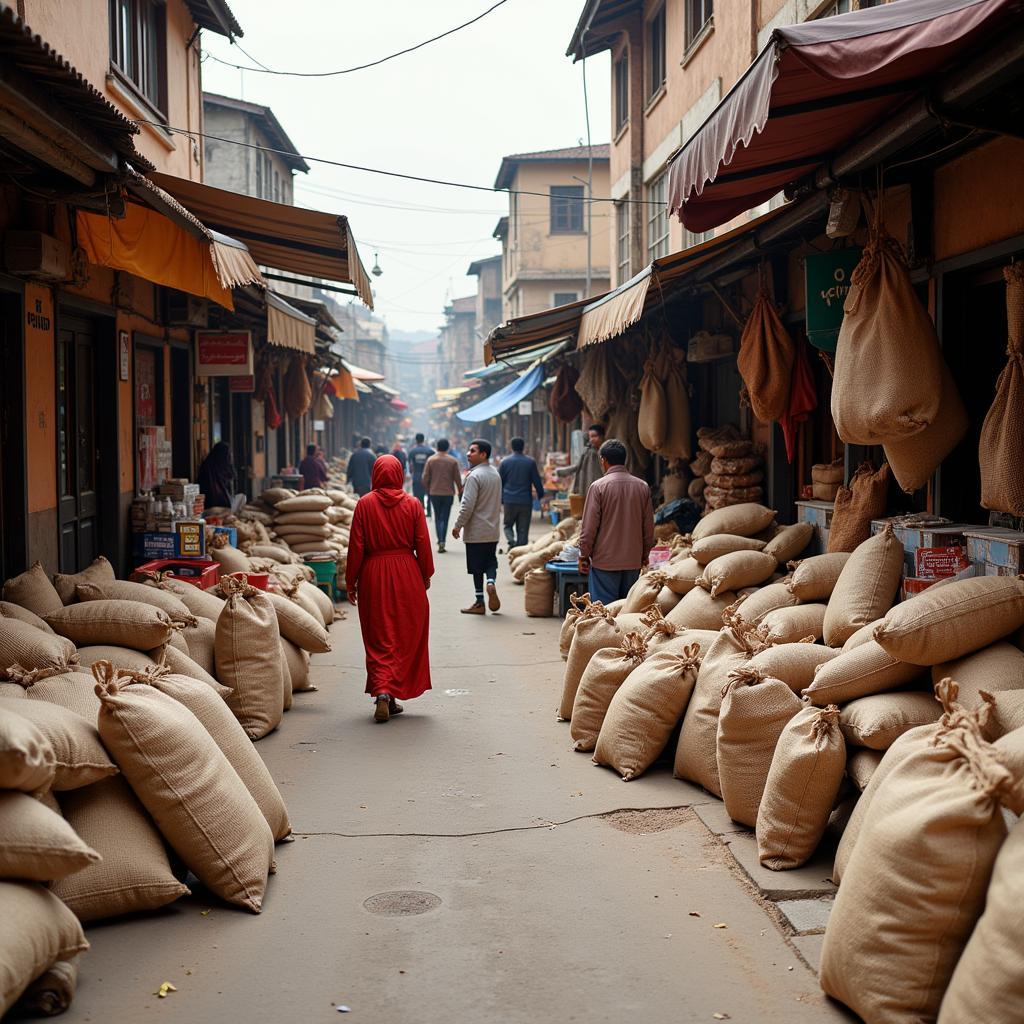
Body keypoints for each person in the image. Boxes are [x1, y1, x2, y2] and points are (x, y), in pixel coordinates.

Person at [345, 455, 434, 723]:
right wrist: (425, 573)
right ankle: (391, 691)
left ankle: (383, 692)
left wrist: (351, 580)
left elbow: (356, 546)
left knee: (378, 634)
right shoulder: (413, 504)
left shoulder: (364, 504)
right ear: (400, 474)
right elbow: (423, 542)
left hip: (373, 573)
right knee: (404, 633)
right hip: (407, 572)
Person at [578, 438, 654, 605]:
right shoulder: (642, 487)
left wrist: (583, 555)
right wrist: (644, 555)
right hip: (632, 561)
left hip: (604, 562)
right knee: (627, 610)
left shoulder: (598, 487)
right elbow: (648, 527)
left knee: (604, 613)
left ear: (603, 460)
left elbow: (589, 528)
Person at [451, 438, 502, 615]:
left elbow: (467, 505)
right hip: (493, 529)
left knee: (476, 567)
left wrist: (458, 526)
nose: (468, 454)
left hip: (476, 531)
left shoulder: (474, 476)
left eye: (472, 451)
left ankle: (479, 601)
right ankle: (491, 582)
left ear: (483, 454)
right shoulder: (495, 474)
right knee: (490, 560)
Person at [498, 436, 545, 550]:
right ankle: (521, 549)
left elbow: (499, 482)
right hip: (525, 500)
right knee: (523, 528)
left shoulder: (505, 462)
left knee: (508, 525)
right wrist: (540, 494)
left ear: (511, 447)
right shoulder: (530, 462)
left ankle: (511, 541)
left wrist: (500, 499)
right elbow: (536, 480)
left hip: (509, 500)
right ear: (524, 447)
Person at [421, 438, 463, 553]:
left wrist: (429, 489)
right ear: (448, 447)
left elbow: (424, 478)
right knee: (445, 518)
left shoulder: (431, 460)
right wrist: (460, 491)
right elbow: (458, 479)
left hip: (434, 493)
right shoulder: (452, 461)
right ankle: (443, 540)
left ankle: (440, 540)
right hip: (448, 493)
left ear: (437, 447)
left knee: (438, 517)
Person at [555, 423, 606, 498]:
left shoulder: (606, 452)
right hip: (589, 488)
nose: (591, 439)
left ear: (602, 436)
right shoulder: (588, 452)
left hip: (603, 488)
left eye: (594, 436)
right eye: (590, 437)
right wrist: (561, 472)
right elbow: (577, 466)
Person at [197, 441, 234, 508]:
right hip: (211, 504)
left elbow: (231, 476)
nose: (230, 455)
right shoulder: (209, 466)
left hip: (222, 504)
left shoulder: (223, 465)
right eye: (228, 453)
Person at [407, 433, 435, 517]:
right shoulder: (430, 451)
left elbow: (410, 465)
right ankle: (429, 511)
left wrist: (412, 473)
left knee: (418, 496)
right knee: (429, 494)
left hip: (417, 477)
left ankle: (420, 512)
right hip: (428, 477)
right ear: (423, 439)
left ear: (416, 440)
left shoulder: (412, 452)